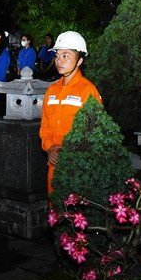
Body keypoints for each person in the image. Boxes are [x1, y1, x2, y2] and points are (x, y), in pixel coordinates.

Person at [40, 31, 102, 193]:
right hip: (54, 166)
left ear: (80, 60)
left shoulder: (88, 91)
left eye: (66, 56)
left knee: (77, 215)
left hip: (79, 168)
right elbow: (45, 127)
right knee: (56, 214)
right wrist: (49, 147)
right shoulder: (52, 90)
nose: (59, 60)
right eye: (57, 55)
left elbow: (95, 132)